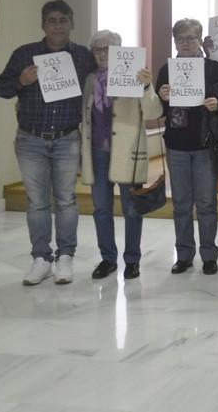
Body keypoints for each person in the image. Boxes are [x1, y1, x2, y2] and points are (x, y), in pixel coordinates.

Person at [0, 0, 96, 285]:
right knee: (37, 202)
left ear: (71, 24)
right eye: (52, 20)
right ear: (43, 25)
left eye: (63, 20)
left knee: (66, 200)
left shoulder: (83, 56)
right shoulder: (24, 54)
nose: (58, 26)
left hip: (66, 137)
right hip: (30, 140)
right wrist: (21, 82)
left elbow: (104, 76)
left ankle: (65, 257)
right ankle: (41, 258)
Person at [80, 30, 162, 280]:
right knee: (101, 209)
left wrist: (147, 86)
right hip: (97, 153)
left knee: (131, 208)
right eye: (98, 50)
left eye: (108, 49)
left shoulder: (135, 76)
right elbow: (85, 117)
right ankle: (107, 259)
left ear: (119, 51)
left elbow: (153, 112)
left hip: (127, 152)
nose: (103, 54)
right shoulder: (90, 80)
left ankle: (132, 260)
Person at [156, 18, 218, 275]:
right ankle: (184, 254)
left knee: (207, 203)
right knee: (181, 204)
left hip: (206, 144)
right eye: (180, 39)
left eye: (191, 38)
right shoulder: (166, 69)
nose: (185, 43)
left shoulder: (213, 68)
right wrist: (161, 97)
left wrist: (217, 105)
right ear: (174, 41)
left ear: (200, 40)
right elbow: (158, 109)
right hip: (177, 144)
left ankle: (209, 254)